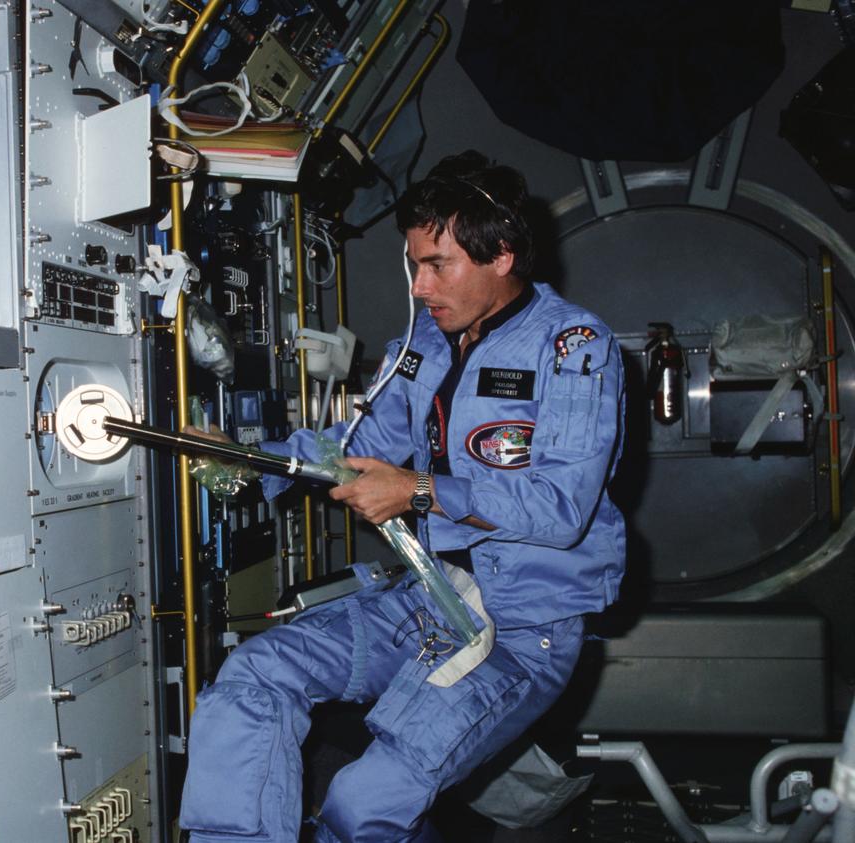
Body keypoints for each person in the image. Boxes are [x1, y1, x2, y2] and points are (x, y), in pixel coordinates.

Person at [178, 150, 626, 842]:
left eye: (436, 265)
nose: (418, 286)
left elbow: (561, 508)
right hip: (430, 598)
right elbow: (353, 445)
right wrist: (238, 461)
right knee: (254, 677)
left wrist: (417, 490)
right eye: (413, 263)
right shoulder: (422, 346)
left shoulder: (573, 349)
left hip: (523, 631)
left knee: (365, 803)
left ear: (501, 254)